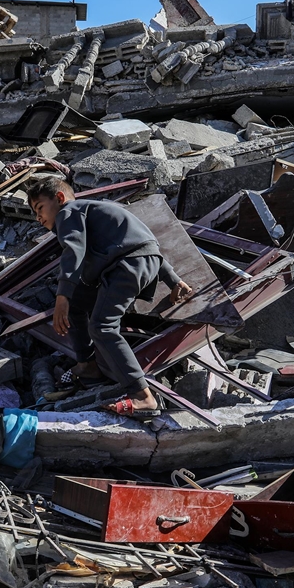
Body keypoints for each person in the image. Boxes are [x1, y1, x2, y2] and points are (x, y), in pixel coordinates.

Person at [27, 178, 194, 418]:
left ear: (60, 199)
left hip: (126, 266)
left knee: (102, 326)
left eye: (40, 208)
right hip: (140, 262)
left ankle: (143, 396)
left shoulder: (69, 212)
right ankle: (88, 366)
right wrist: (174, 280)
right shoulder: (94, 213)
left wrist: (61, 296)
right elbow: (147, 246)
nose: (38, 218)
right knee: (77, 305)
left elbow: (73, 250)